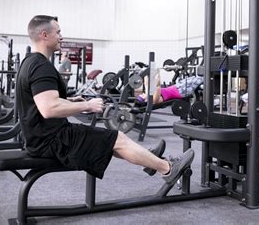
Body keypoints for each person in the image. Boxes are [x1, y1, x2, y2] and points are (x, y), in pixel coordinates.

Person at [16, 15, 193, 182]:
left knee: (113, 138)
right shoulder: (41, 66)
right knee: (118, 139)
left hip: (42, 138)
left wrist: (70, 101)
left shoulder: (30, 62)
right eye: (58, 32)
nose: (61, 37)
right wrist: (88, 105)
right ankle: (168, 169)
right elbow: (49, 109)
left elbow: (40, 104)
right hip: (51, 141)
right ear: (44, 35)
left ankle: (149, 159)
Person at [136, 73, 203, 106]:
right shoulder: (154, 100)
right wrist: (157, 75)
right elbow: (158, 85)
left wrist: (146, 72)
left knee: (197, 77)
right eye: (142, 96)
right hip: (181, 91)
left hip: (177, 86)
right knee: (201, 79)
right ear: (146, 100)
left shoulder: (149, 94)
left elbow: (146, 83)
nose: (143, 94)